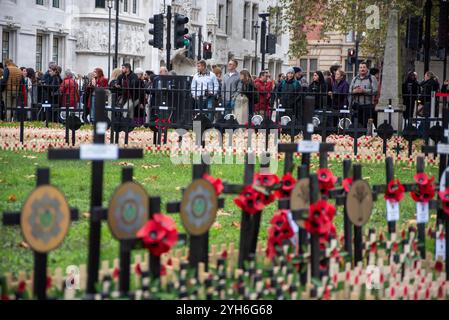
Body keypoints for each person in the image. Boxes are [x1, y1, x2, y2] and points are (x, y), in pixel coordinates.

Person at [348, 61, 378, 127]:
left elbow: (375, 90)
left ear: (367, 69)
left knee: (365, 125)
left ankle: (365, 137)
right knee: (356, 125)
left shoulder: (372, 78)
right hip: (356, 105)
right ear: (358, 69)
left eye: (364, 67)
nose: (362, 69)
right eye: (360, 67)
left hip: (367, 105)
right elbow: (350, 90)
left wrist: (364, 90)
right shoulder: (355, 79)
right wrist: (354, 91)